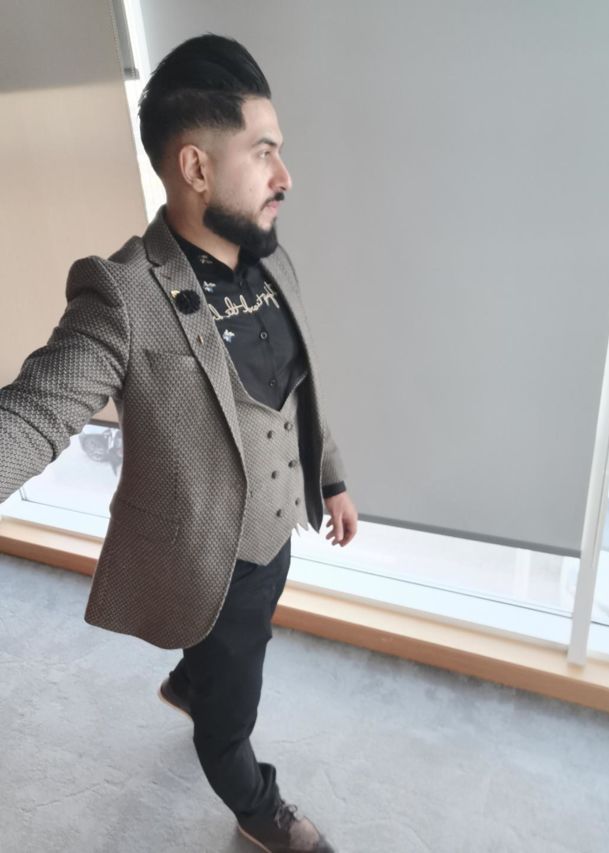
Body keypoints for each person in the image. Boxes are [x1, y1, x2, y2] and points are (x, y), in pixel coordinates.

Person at [0, 32, 358, 853]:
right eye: (263, 152)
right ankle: (257, 805)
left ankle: (192, 679)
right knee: (234, 711)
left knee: (240, 636)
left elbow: (301, 392)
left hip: (275, 535)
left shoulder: (274, 263)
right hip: (208, 557)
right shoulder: (123, 294)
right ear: (196, 167)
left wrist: (332, 478)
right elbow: (31, 413)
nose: (285, 175)